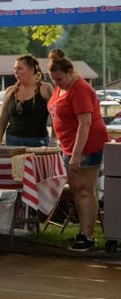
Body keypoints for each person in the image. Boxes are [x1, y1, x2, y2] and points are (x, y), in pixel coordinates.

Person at [47, 50, 108, 251]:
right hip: (69, 144)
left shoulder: (80, 88)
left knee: (84, 190)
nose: (57, 83)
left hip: (86, 144)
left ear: (70, 72)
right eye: (53, 79)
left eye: (60, 79)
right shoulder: (61, 88)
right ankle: (83, 231)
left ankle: (88, 236)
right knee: (76, 189)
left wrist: (76, 154)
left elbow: (85, 123)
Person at [0, 54, 54, 147]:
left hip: (37, 141)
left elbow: (55, 116)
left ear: (31, 70)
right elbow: (3, 118)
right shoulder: (10, 91)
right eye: (15, 68)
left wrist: (54, 140)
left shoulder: (45, 88)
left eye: (19, 68)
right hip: (12, 140)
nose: (16, 72)